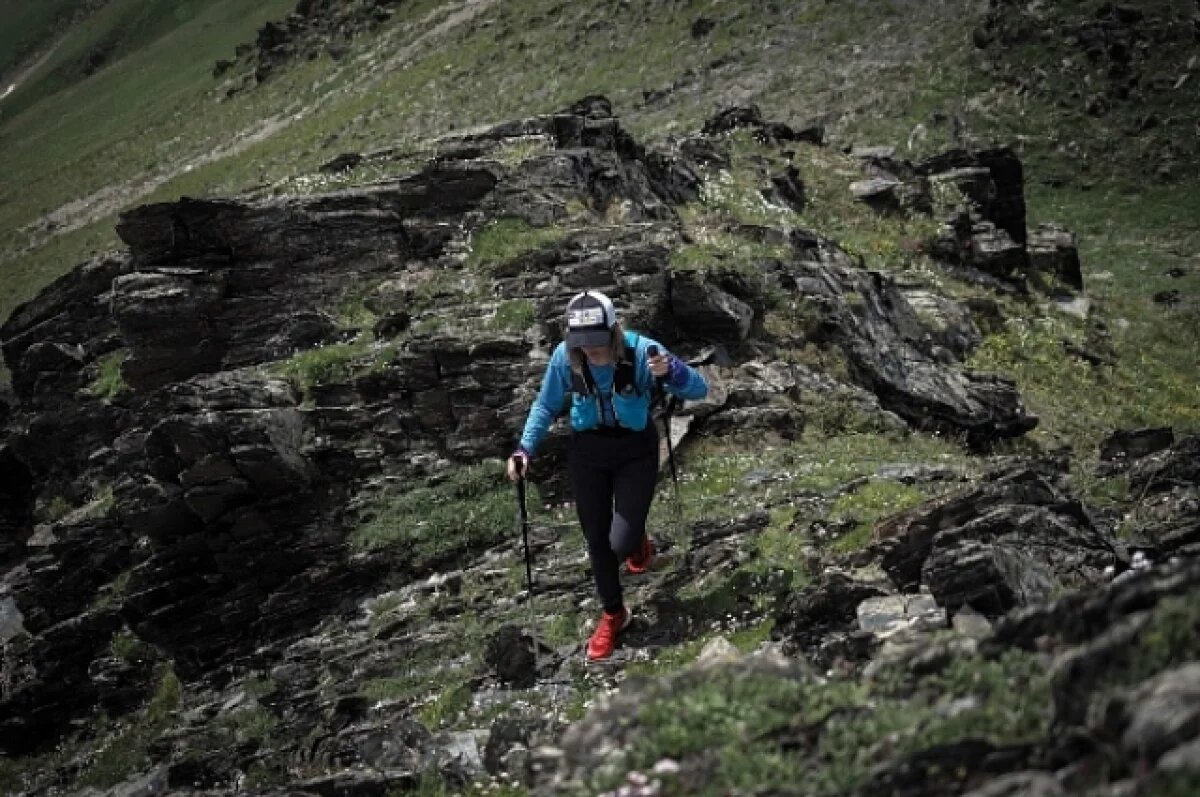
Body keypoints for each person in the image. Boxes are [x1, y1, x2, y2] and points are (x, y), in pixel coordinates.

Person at [507, 291, 708, 661]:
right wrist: (524, 449)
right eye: (583, 345)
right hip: (588, 452)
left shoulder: (644, 352)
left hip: (635, 449)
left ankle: (635, 539)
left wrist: (673, 373)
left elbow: (699, 388)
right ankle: (615, 614)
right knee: (597, 541)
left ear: (613, 331)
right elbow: (546, 404)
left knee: (619, 543)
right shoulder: (564, 359)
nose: (592, 352)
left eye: (598, 343)